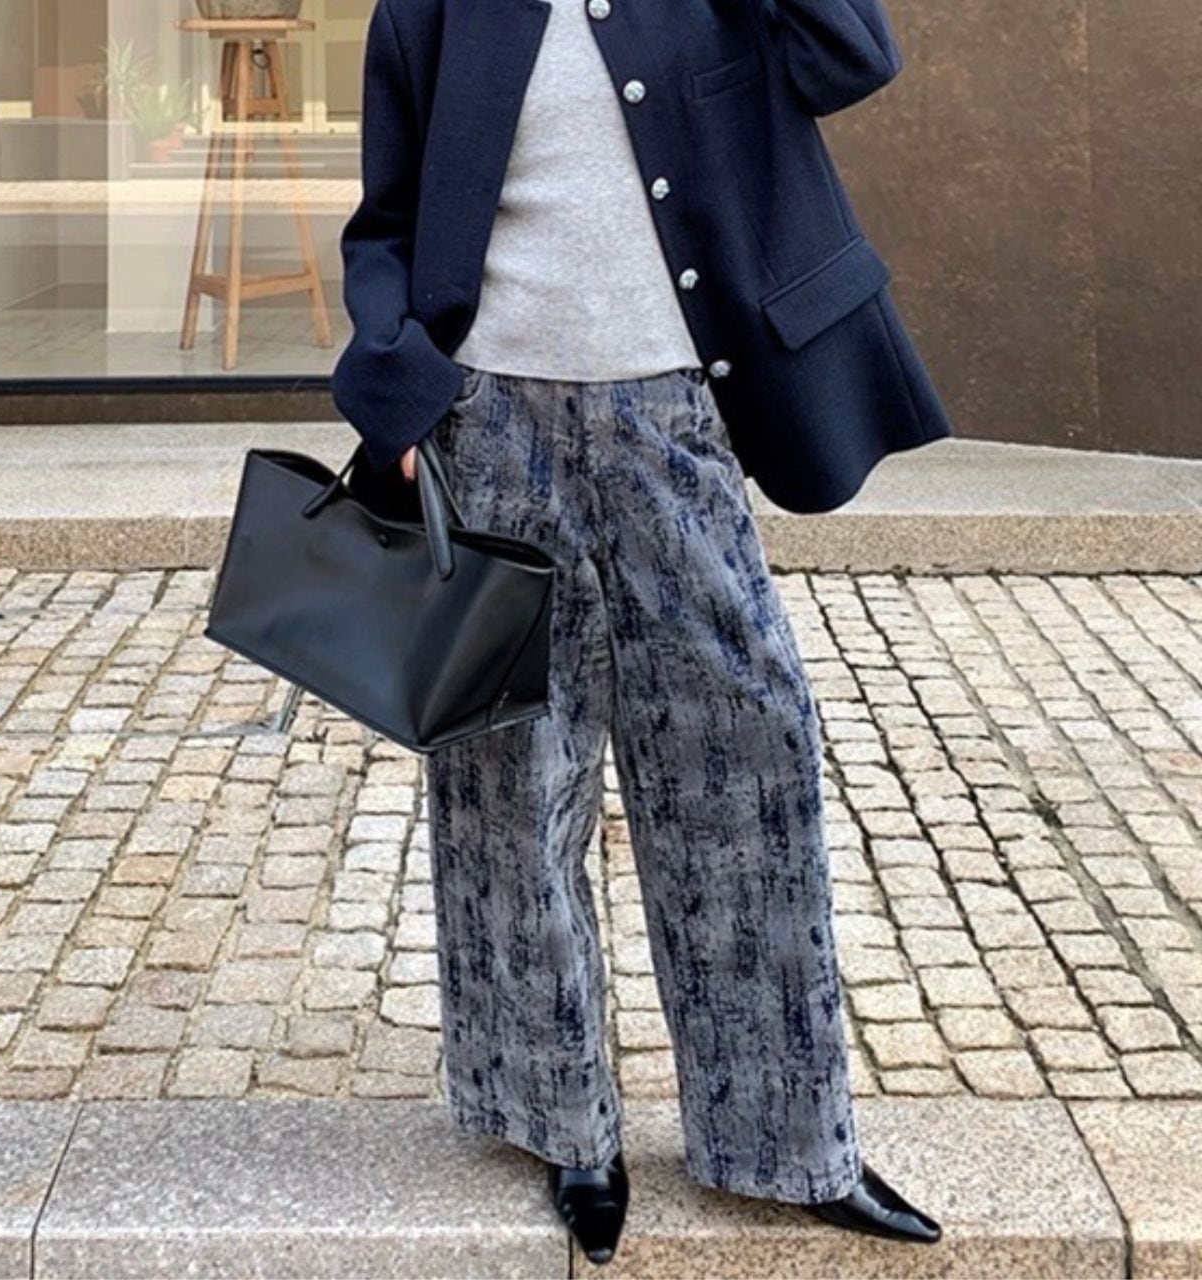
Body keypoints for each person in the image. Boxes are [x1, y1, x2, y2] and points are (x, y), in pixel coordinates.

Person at [334, 0, 952, 1263]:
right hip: (490, 429)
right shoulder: (434, 9)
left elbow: (852, 56)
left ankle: (789, 1139)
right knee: (512, 784)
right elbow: (385, 222)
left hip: (673, 420)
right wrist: (397, 388)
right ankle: (563, 1126)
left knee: (751, 757)